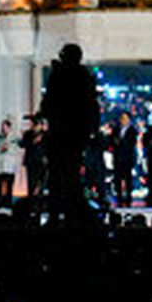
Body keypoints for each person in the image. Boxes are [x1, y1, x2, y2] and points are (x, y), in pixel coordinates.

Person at [39, 43, 100, 210]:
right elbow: (92, 106)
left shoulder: (58, 75)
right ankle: (73, 211)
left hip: (61, 133)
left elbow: (47, 104)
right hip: (75, 135)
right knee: (71, 175)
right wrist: (92, 132)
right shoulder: (84, 76)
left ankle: (56, 212)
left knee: (57, 176)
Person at [0, 118, 21, 205]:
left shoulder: (15, 138)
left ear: (9, 128)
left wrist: (9, 149)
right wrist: (1, 149)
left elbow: (17, 150)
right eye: (2, 127)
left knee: (9, 186)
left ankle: (8, 202)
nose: (3, 129)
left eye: (5, 127)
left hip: (10, 165)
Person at [111, 112, 137, 207]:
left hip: (127, 157)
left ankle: (128, 198)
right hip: (117, 157)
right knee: (118, 178)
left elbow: (131, 142)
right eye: (122, 118)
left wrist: (120, 142)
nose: (123, 120)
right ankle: (119, 197)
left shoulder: (132, 130)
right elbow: (111, 140)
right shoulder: (116, 129)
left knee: (127, 179)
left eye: (125, 118)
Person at [20, 117, 47, 197]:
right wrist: (33, 141)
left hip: (41, 160)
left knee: (41, 181)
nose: (35, 127)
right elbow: (23, 145)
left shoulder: (44, 134)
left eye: (37, 125)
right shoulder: (28, 134)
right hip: (30, 160)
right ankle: (31, 198)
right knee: (31, 181)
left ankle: (40, 200)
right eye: (34, 125)